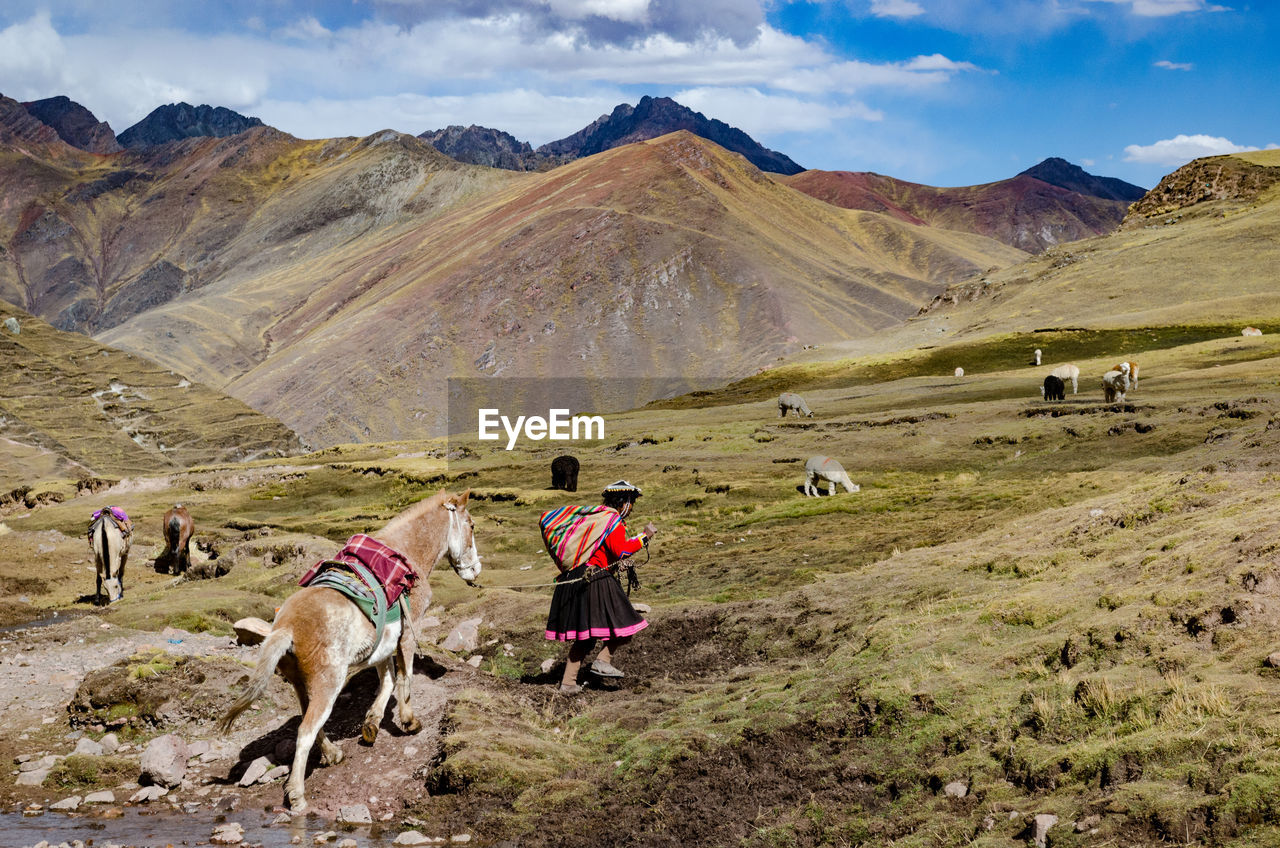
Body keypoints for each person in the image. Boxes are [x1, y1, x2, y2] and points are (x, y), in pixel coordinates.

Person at [545, 480, 656, 695]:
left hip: (580, 577)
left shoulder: (598, 519)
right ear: (623, 501)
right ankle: (602, 662)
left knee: (585, 635)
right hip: (595, 578)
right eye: (631, 503)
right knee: (626, 622)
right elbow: (620, 551)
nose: (631, 509)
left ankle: (568, 683)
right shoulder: (611, 519)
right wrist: (644, 537)